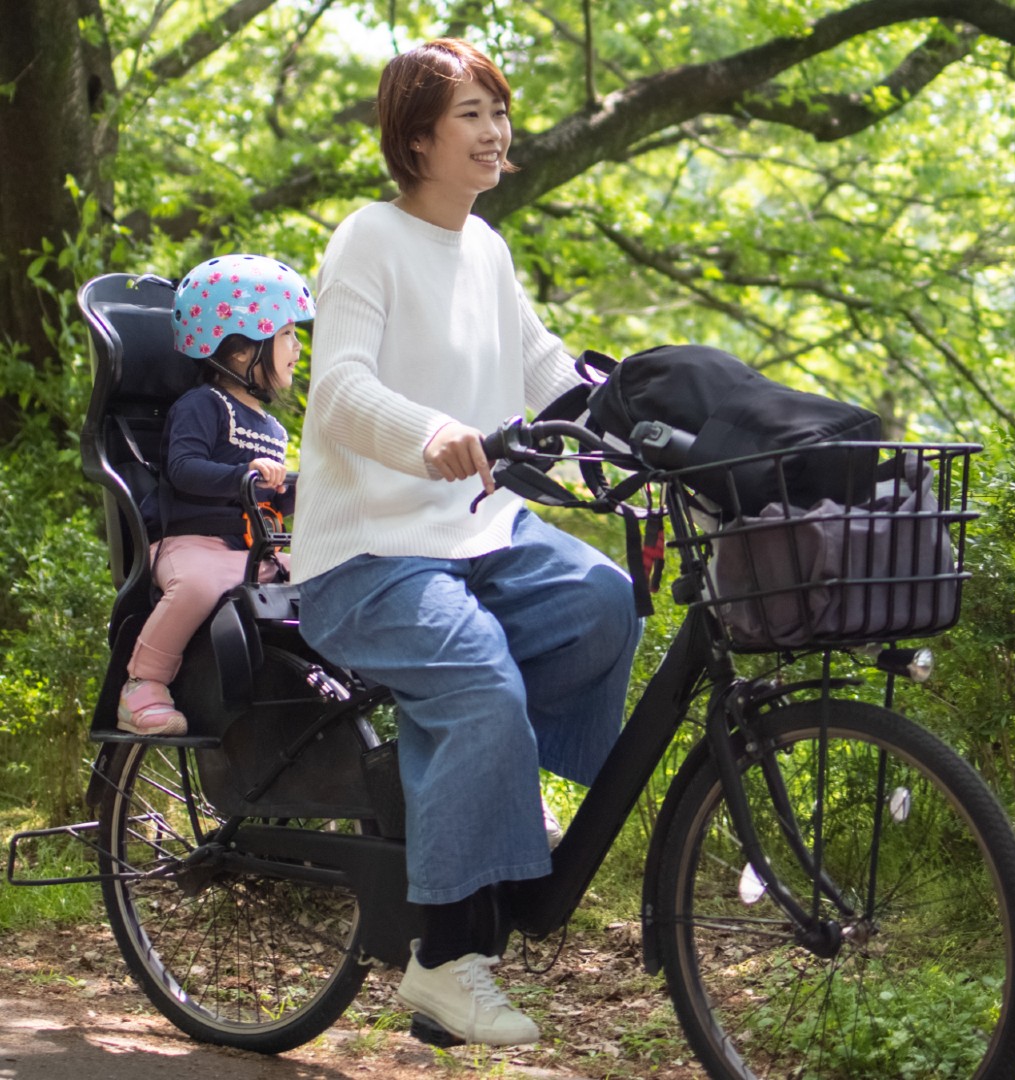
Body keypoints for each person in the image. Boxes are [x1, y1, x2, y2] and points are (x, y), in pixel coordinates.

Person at [290, 38, 640, 1046]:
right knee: (480, 682)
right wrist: (433, 433)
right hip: (368, 556)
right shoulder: (370, 237)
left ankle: (506, 798)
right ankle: (442, 961)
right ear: (416, 138)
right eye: (472, 115)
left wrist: (624, 420)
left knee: (603, 598)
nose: (496, 132)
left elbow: (538, 361)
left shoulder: (484, 246)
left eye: (499, 111)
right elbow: (343, 389)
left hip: (479, 537)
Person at [117, 253, 314, 736]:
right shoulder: (203, 405)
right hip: (190, 543)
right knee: (200, 586)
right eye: (287, 334)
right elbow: (184, 470)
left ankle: (306, 695)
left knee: (317, 581)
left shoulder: (272, 427)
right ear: (241, 350)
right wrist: (243, 473)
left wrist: (300, 491)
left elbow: (267, 497)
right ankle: (142, 684)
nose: (297, 347)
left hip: (251, 548)